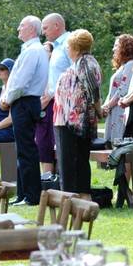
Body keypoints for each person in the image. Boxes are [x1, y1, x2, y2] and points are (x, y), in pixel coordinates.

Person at [0, 16, 49, 205]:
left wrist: (7, 99)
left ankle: (31, 195)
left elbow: (21, 81)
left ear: (31, 30)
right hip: (25, 101)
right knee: (22, 148)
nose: (18, 29)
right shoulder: (32, 50)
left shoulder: (33, 51)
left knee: (26, 149)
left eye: (21, 26)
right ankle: (23, 193)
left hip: (25, 101)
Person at [53, 29, 102, 194]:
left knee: (70, 163)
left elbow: (93, 90)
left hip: (74, 122)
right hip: (68, 119)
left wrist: (99, 110)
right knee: (74, 162)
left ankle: (71, 199)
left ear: (75, 47)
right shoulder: (82, 62)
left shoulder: (85, 63)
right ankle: (75, 197)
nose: (67, 50)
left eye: (68, 46)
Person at [37, 13, 72, 174]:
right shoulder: (56, 47)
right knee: (47, 142)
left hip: (66, 104)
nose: (43, 32)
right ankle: (52, 182)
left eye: (45, 28)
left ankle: (64, 183)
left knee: (62, 145)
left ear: (57, 25)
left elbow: (75, 73)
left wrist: (51, 95)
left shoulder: (69, 43)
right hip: (52, 102)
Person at [100, 34, 133, 144]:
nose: (113, 49)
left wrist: (107, 106)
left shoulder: (131, 64)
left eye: (116, 46)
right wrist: (106, 106)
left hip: (120, 109)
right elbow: (112, 91)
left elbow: (123, 90)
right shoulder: (122, 66)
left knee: (118, 143)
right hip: (114, 109)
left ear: (125, 48)